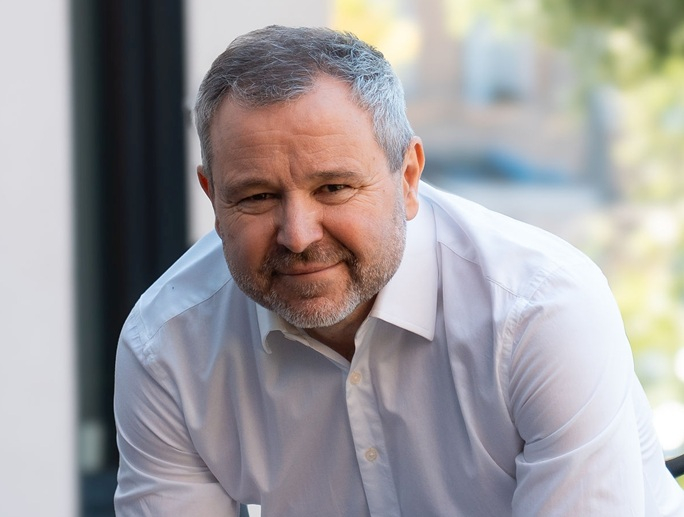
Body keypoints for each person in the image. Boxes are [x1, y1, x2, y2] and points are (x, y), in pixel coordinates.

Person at [114, 25, 684, 516]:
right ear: (213, 198)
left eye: (333, 187)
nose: (298, 235)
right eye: (257, 197)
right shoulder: (166, 347)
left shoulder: (540, 309)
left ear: (408, 178)